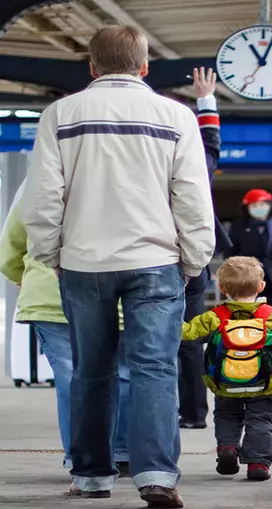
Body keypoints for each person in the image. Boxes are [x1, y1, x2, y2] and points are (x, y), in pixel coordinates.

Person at [20, 26, 215, 507]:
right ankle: (155, 476)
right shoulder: (176, 117)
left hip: (83, 262)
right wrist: (193, 258)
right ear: (145, 67)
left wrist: (50, 254)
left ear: (92, 67)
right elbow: (191, 195)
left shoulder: (60, 114)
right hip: (156, 260)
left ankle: (91, 477)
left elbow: (45, 195)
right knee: (153, 369)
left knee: (91, 370)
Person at [0, 181, 132, 484]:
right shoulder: (124, 177)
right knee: (122, 373)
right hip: (116, 294)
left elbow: (11, 244)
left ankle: (83, 459)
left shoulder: (39, 182)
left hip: (51, 294)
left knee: (72, 377)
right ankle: (121, 451)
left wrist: (27, 278)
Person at [181, 256, 272, 481]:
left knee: (226, 415)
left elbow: (189, 334)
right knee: (261, 420)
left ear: (221, 287)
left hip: (225, 383)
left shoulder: (214, 318)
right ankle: (258, 464)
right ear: (261, 286)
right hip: (265, 384)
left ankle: (228, 449)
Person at [178, 67, 230, 431]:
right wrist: (205, 99)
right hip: (192, 263)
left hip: (151, 259)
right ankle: (194, 414)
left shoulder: (149, 167)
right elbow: (210, 143)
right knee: (190, 341)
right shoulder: (199, 166)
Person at [226, 190, 272, 309]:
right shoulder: (238, 226)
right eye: (254, 205)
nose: (259, 208)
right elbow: (231, 252)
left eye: (262, 204)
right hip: (247, 279)